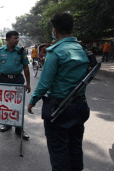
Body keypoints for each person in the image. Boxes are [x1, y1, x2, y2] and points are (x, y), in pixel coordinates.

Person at [27, 12, 91, 171]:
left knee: (59, 150)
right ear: (72, 28)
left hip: (60, 109)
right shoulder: (83, 50)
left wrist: (32, 101)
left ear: (54, 30)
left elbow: (44, 83)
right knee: (75, 147)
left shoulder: (55, 52)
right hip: (80, 106)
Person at [0, 31, 31, 140]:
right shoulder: (0, 51)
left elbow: (26, 68)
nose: (17, 40)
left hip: (18, 80)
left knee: (18, 105)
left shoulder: (21, 51)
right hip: (4, 79)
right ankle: (7, 124)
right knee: (6, 104)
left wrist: (28, 83)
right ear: (8, 39)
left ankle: (19, 129)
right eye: (15, 38)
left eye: (18, 38)